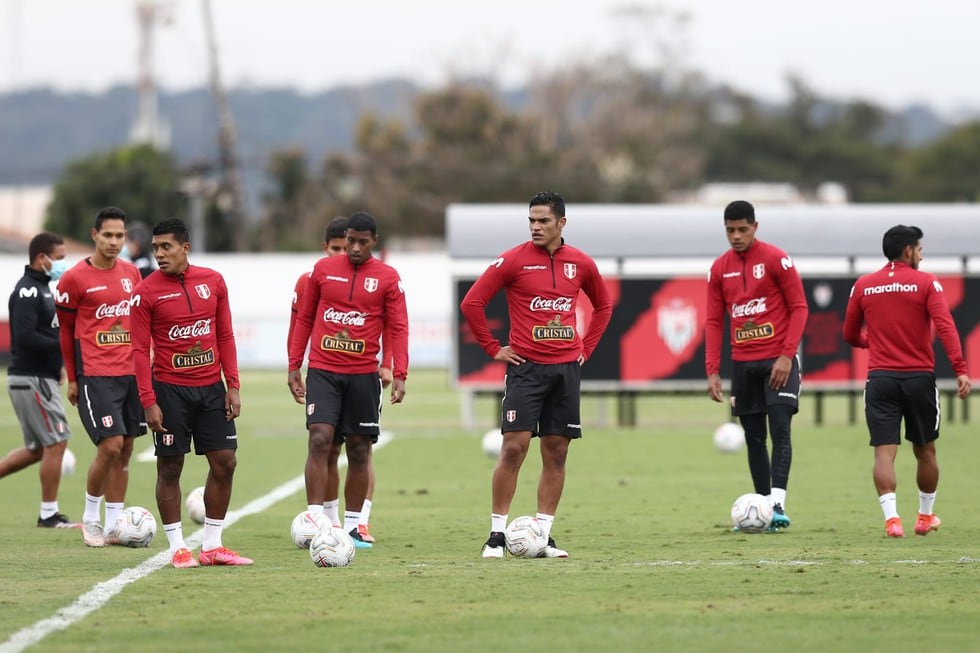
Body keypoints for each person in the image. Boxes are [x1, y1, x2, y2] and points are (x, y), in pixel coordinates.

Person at [460, 190, 613, 559]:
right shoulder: (512, 260)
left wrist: (585, 348)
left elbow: (604, 305)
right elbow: (472, 303)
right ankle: (496, 535)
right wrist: (493, 348)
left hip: (565, 371)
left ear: (561, 223)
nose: (536, 227)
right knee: (513, 449)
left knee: (557, 453)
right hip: (525, 370)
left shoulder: (581, 263)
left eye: (543, 220)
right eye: (531, 220)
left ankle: (541, 535)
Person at [130, 217, 250, 568]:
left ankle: (212, 545)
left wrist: (234, 386)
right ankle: (178, 548)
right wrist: (148, 400)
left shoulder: (212, 282)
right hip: (170, 392)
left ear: (185, 247)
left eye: (166, 247)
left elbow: (226, 336)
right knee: (170, 467)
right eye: (155, 248)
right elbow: (139, 350)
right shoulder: (145, 292)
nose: (159, 254)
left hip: (212, 389)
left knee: (225, 461)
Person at [287, 212, 408, 550]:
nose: (354, 248)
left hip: (364, 376)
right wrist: (294, 364)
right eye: (349, 241)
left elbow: (398, 327)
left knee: (358, 448)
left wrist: (399, 372)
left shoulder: (387, 278)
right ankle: (316, 522)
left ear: (373, 242)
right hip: (324, 371)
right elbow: (305, 318)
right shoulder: (322, 272)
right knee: (320, 439)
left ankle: (354, 528)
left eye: (361, 242)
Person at [842, 225, 970, 538]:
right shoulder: (926, 283)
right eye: (920, 250)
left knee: (884, 452)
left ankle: (892, 520)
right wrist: (960, 368)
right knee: (925, 451)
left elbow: (848, 333)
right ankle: (925, 518)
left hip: (880, 379)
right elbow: (946, 326)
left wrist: (867, 342)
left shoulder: (864, 285)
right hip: (918, 379)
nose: (922, 257)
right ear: (908, 251)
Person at [705, 200, 808, 530]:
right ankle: (764, 509)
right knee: (753, 438)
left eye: (742, 230)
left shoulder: (777, 259)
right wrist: (712, 370)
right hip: (743, 364)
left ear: (755, 227)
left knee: (780, 428)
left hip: (778, 361)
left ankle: (777, 503)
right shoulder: (720, 268)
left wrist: (786, 355)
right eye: (730, 230)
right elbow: (712, 321)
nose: (736, 236)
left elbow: (799, 308)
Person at [56, 207, 145, 547]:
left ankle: (115, 524)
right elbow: (65, 332)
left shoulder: (132, 274)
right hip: (96, 374)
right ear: (95, 235)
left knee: (125, 450)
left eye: (119, 236)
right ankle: (90, 519)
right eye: (107, 235)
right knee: (110, 446)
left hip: (131, 374)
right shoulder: (75, 279)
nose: (114, 241)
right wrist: (73, 377)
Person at [1, 232, 77, 528]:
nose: (62, 265)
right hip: (30, 378)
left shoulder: (44, 288)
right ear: (41, 258)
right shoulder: (28, 291)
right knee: (57, 441)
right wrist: (64, 344)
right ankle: (48, 514)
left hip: (37, 376)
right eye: (58, 259)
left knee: (37, 450)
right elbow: (24, 335)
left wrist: (56, 364)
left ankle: (49, 512)